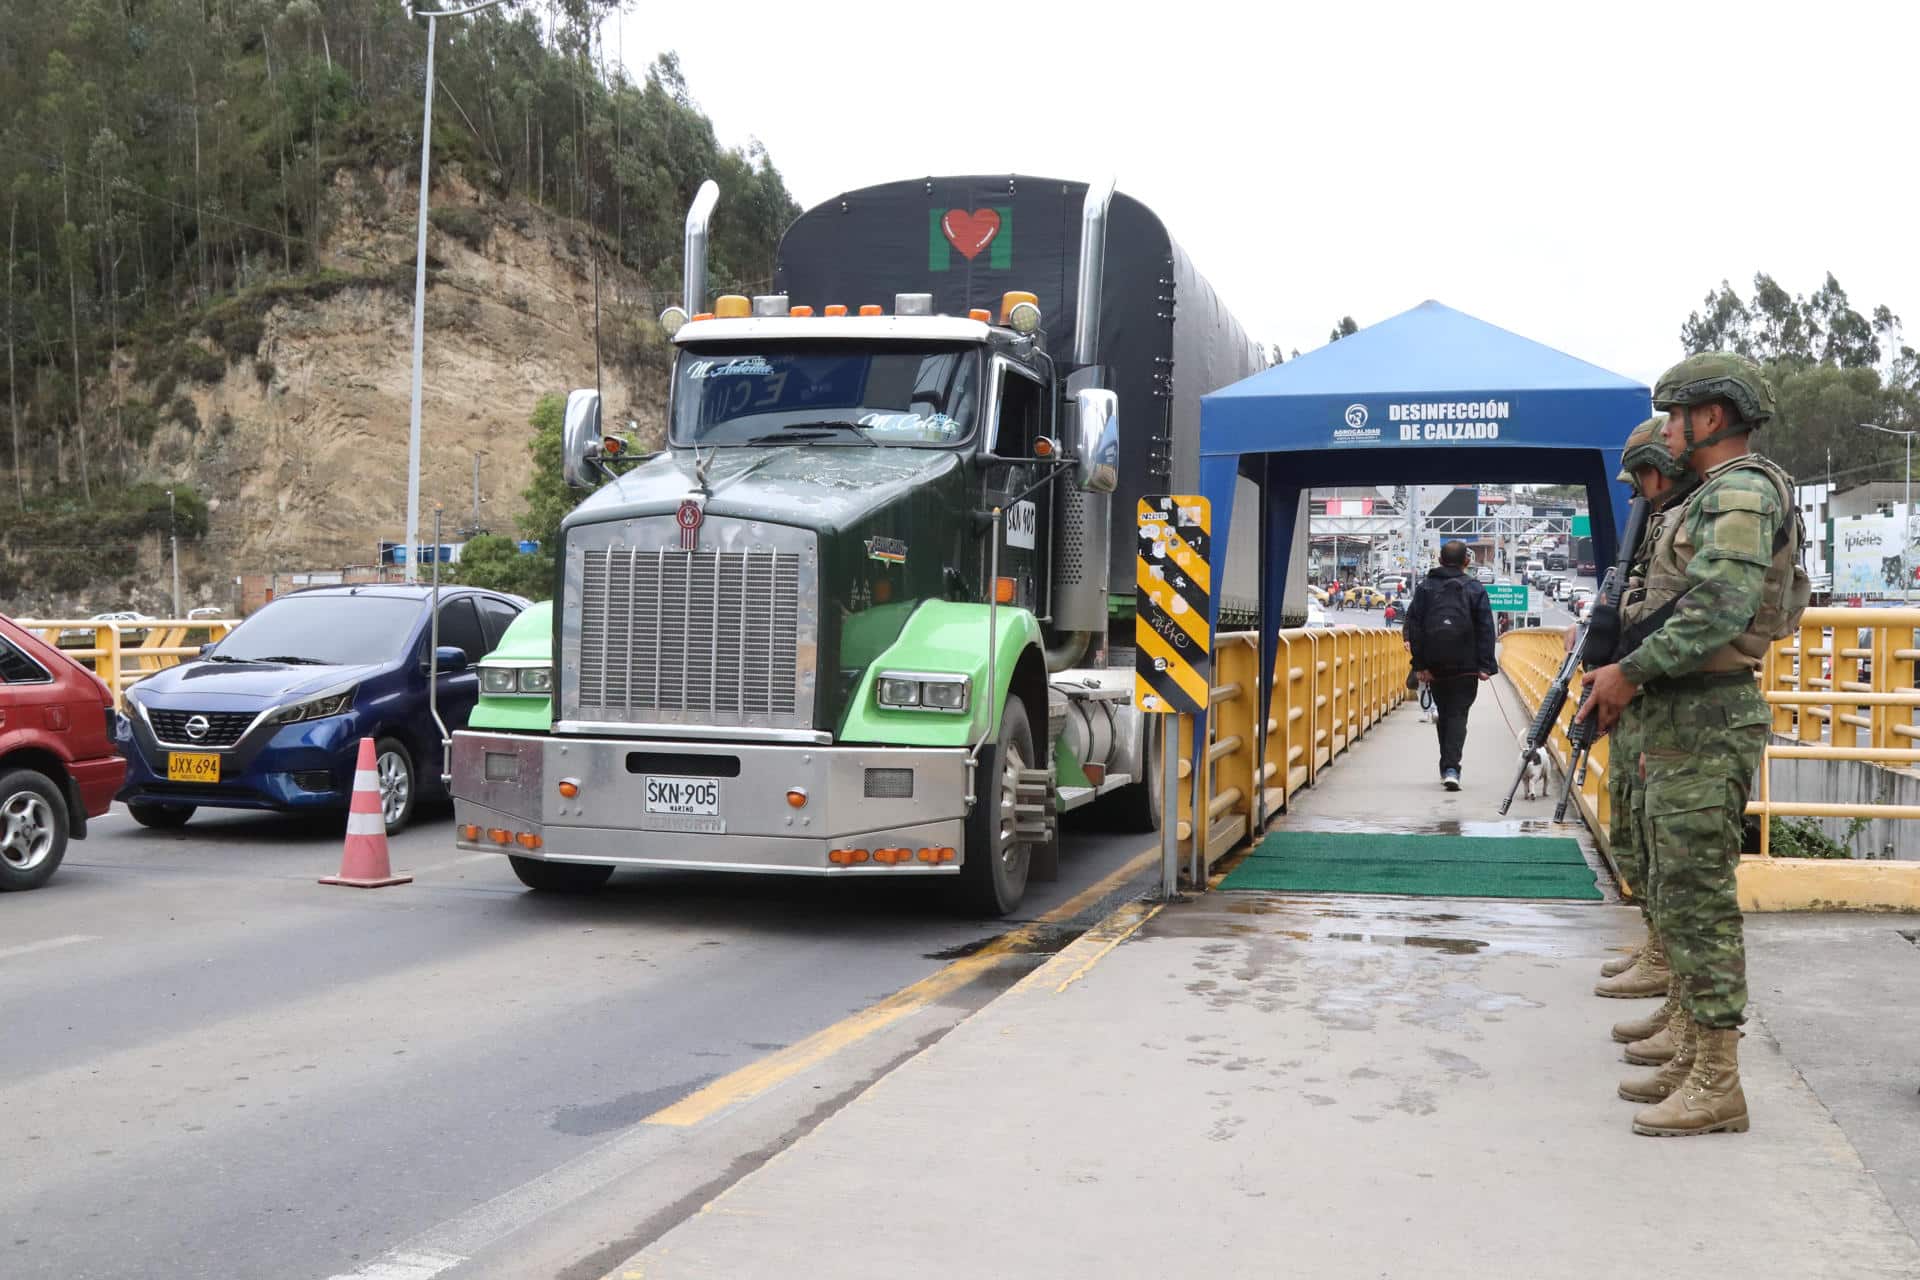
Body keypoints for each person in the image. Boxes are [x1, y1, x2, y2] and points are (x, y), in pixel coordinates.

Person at [1576, 352, 1808, 1138]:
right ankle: (1691, 1046)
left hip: (1705, 716)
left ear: (1710, 418)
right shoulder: (1710, 496)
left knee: (1700, 902)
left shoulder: (1741, 489)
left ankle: (1719, 1081)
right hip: (1681, 711)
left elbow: (1719, 606)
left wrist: (1627, 674)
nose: (1667, 432)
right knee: (1675, 887)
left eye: (1675, 416)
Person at [1592, 416, 1700, 1019]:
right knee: (1641, 846)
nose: (1641, 489)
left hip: (1691, 704)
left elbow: (1702, 607)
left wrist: (1626, 669)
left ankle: (1703, 1050)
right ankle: (1661, 961)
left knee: (1691, 886)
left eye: (1644, 476)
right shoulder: (1661, 520)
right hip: (1655, 697)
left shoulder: (1724, 503)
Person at [1405, 540, 1497, 789]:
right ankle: (1451, 767)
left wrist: (1420, 665)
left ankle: (1446, 764)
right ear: (1466, 561)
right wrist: (1485, 665)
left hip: (1435, 666)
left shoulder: (1425, 588)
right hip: (1466, 667)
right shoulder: (1475, 588)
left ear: (1440, 560)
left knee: (1445, 713)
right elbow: (1486, 628)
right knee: (1457, 715)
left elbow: (1415, 627)